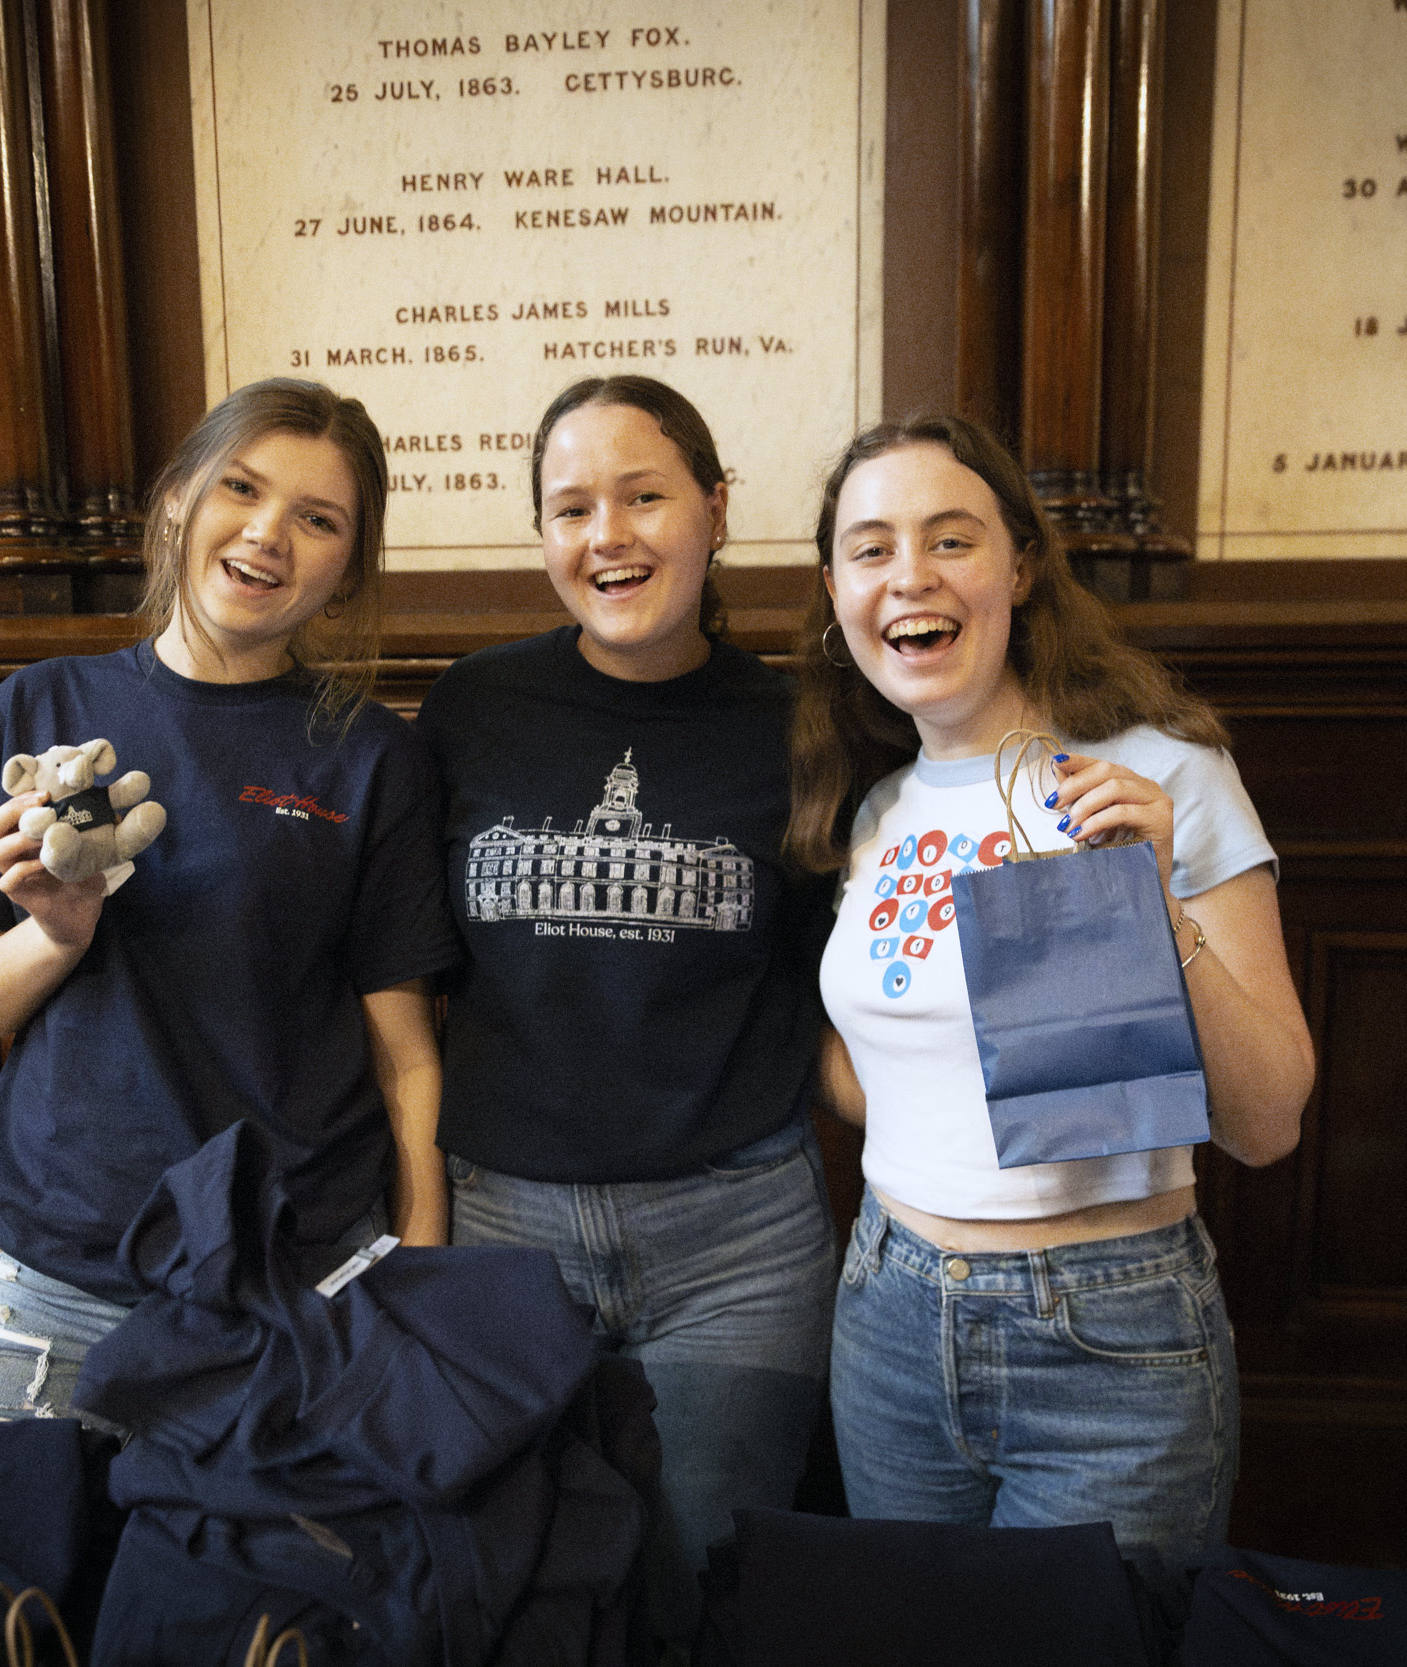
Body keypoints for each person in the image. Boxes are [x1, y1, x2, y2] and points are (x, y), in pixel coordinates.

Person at [787, 415, 1315, 1584]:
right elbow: (865, 1071)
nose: (909, 575)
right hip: (888, 1311)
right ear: (836, 590)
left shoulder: (1161, 771)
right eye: (870, 548)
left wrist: (1152, 909)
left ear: (1019, 567)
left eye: (950, 538)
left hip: (1111, 1329)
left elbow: (1268, 1117)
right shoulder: (873, 808)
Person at [0, 378, 457, 1422]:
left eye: (317, 518)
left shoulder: (371, 755)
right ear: (176, 505)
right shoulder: (38, 709)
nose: (267, 532)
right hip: (64, 1279)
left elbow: (404, 1052)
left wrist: (415, 1282)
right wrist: (57, 932)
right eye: (240, 487)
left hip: (298, 1286)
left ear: (344, 573)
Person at [415, 377, 835, 1634]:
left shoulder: (803, 724)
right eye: (572, 507)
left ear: (714, 510)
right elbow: (406, 977)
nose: (610, 535)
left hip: (738, 1240)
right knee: (510, 1584)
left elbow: (850, 989)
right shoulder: (473, 708)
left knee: (704, 1590)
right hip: (501, 1226)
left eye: (645, 495)